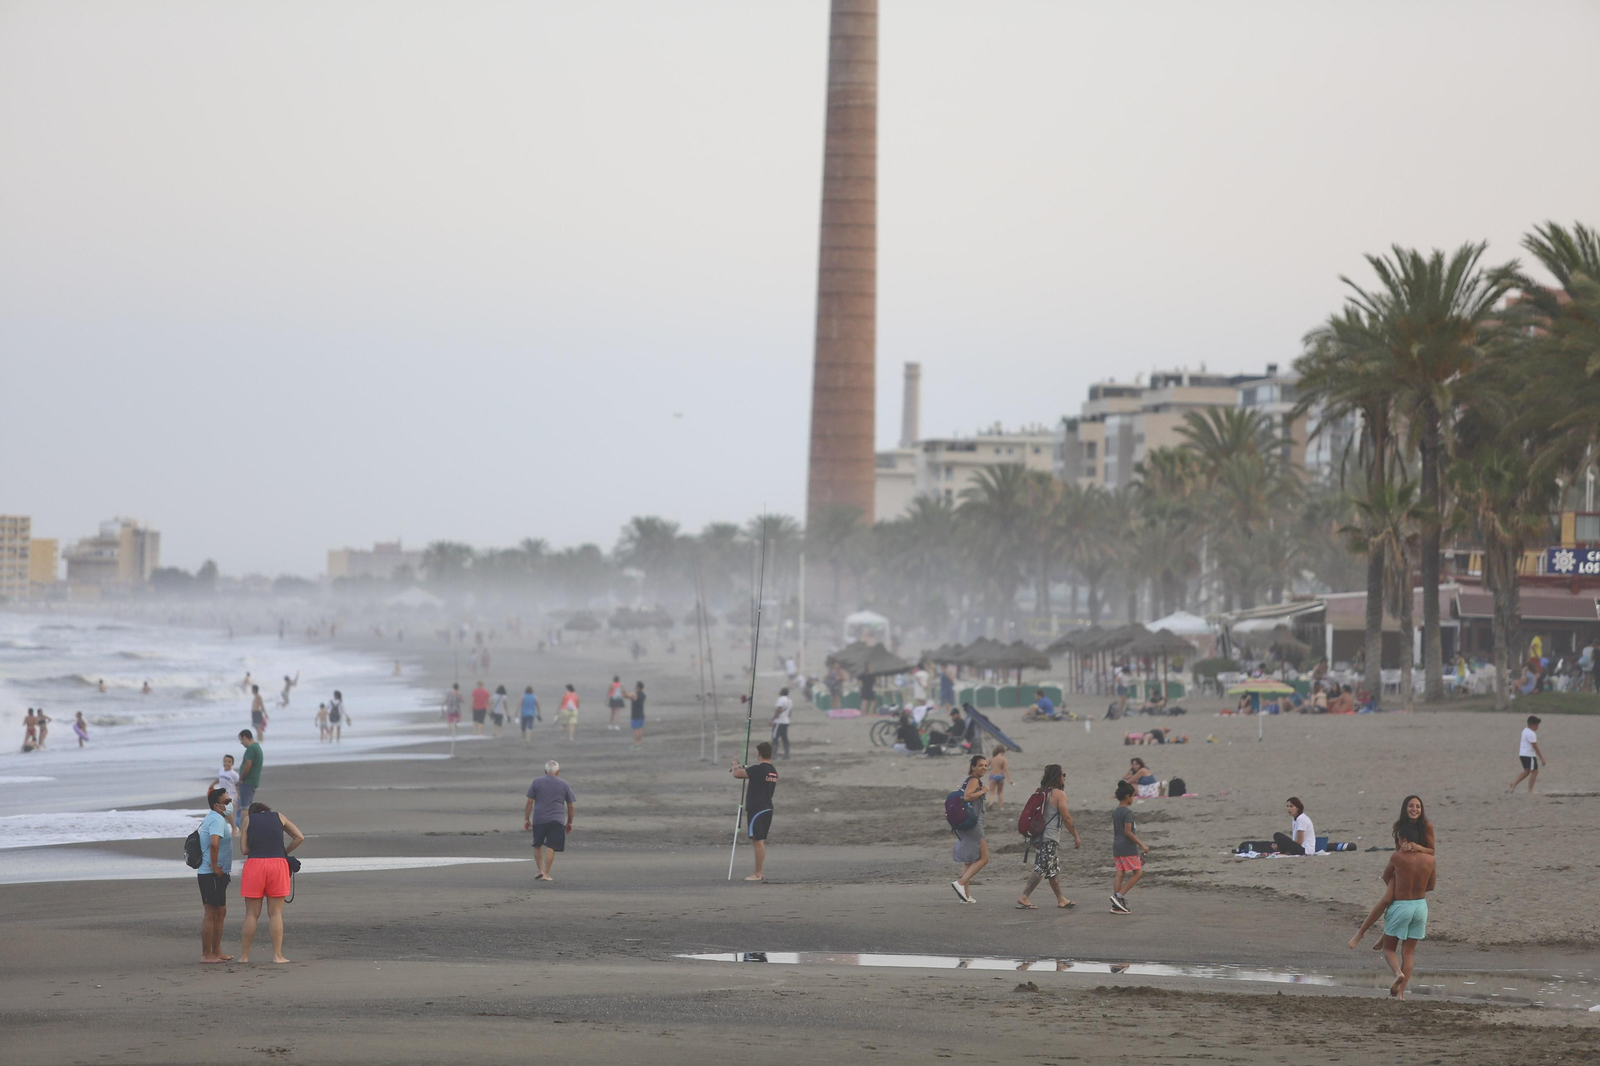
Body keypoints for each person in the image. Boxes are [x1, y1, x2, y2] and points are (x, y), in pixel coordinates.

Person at [1356, 825, 1437, 999]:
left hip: (1402, 905)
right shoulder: (1430, 859)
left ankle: (1398, 973)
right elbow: (1431, 886)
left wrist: (1397, 884)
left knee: (1389, 949)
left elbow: (1386, 875)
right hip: (1421, 906)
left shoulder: (1397, 857)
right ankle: (1401, 994)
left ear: (1404, 840)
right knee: (1408, 953)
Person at [1349, 795, 1436, 950]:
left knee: (1399, 902)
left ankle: (1385, 936)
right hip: (1401, 868)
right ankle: (1360, 933)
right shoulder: (1399, 826)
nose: (1414, 809)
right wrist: (1402, 851)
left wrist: (1417, 847)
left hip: (1419, 869)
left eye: (1418, 806)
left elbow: (1432, 851)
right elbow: (1396, 853)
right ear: (1404, 808)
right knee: (1386, 899)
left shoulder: (1426, 825)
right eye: (1411, 806)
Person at [238, 800, 303, 964]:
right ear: (266, 810)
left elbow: (244, 850)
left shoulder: (247, 819)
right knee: (275, 913)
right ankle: (277, 956)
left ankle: (244, 956)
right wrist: (282, 852)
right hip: (278, 865)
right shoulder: (279, 816)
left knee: (252, 913)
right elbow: (299, 837)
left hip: (255, 865)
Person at [1016, 763, 1080, 910]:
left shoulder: (1043, 792)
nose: (1064, 778)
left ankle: (1061, 899)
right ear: (1057, 777)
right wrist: (1075, 835)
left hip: (1039, 836)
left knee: (1052, 870)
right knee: (1042, 867)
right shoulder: (1059, 794)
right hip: (1049, 837)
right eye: (1063, 775)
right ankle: (1024, 896)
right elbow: (1067, 818)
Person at [197, 786, 235, 963]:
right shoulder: (216, 820)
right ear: (217, 805)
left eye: (230, 801)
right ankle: (207, 954)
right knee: (210, 912)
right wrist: (214, 866)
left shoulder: (217, 818)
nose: (229, 804)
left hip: (218, 873)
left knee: (220, 911)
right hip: (211, 873)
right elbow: (214, 844)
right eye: (226, 802)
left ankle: (217, 951)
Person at [731, 741, 779, 881]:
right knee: (758, 840)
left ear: (759, 754)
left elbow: (737, 774)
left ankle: (758, 873)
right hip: (767, 808)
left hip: (757, 809)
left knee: (758, 841)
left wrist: (734, 763)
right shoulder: (773, 771)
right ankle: (758, 872)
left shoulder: (759, 769)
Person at [523, 760, 576, 882]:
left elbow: (529, 802)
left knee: (537, 844)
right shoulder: (563, 784)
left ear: (545, 771)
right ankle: (546, 874)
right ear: (557, 772)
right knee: (550, 846)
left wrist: (526, 819)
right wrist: (569, 822)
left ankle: (539, 871)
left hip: (539, 819)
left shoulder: (536, 782)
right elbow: (570, 805)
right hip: (557, 820)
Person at [950, 754, 991, 903]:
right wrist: (983, 790)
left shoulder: (967, 781)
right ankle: (960, 883)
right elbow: (967, 797)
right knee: (984, 858)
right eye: (980, 765)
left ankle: (965, 896)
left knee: (968, 860)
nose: (984, 768)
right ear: (973, 767)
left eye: (986, 766)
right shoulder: (974, 780)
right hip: (973, 824)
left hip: (963, 823)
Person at [1110, 780, 1149, 913]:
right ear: (1127, 797)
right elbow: (1128, 832)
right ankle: (1119, 896)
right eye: (1133, 796)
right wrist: (1142, 845)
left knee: (1120, 872)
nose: (1133, 798)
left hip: (1117, 846)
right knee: (1138, 873)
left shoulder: (1116, 812)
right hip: (1127, 847)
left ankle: (1117, 904)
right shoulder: (1128, 813)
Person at [1508, 715, 1546, 793]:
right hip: (1529, 755)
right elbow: (1535, 747)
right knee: (1535, 772)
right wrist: (1542, 758)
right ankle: (1530, 790)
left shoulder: (1525, 730)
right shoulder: (1531, 734)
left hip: (1522, 754)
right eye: (1536, 725)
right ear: (1531, 725)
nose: (1537, 727)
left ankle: (1513, 784)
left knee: (1526, 772)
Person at [236, 730, 264, 827]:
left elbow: (248, 765)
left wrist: (241, 778)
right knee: (248, 806)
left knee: (244, 807)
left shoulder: (251, 749)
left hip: (247, 781)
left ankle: (243, 829)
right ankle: (248, 827)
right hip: (253, 781)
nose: (241, 743)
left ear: (245, 737)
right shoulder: (257, 747)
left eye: (241, 740)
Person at [987, 745, 1013, 810]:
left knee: (991, 792)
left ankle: (991, 803)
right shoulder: (1004, 759)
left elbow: (985, 766)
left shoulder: (992, 758)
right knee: (1000, 792)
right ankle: (1001, 807)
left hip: (993, 776)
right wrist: (1010, 779)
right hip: (1001, 776)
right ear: (1002, 752)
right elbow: (1006, 770)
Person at [771, 687, 793, 759]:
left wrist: (773, 719)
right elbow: (790, 712)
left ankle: (774, 755)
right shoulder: (789, 701)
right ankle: (787, 754)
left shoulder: (781, 699)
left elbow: (778, 709)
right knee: (784, 738)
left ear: (781, 692)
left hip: (779, 722)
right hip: (786, 721)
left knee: (775, 738)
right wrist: (787, 718)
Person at [628, 681, 646, 748]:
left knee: (635, 729)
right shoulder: (643, 695)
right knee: (640, 729)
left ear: (637, 687)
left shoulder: (636, 694)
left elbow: (627, 696)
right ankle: (640, 743)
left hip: (635, 714)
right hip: (641, 713)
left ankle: (636, 743)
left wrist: (623, 691)